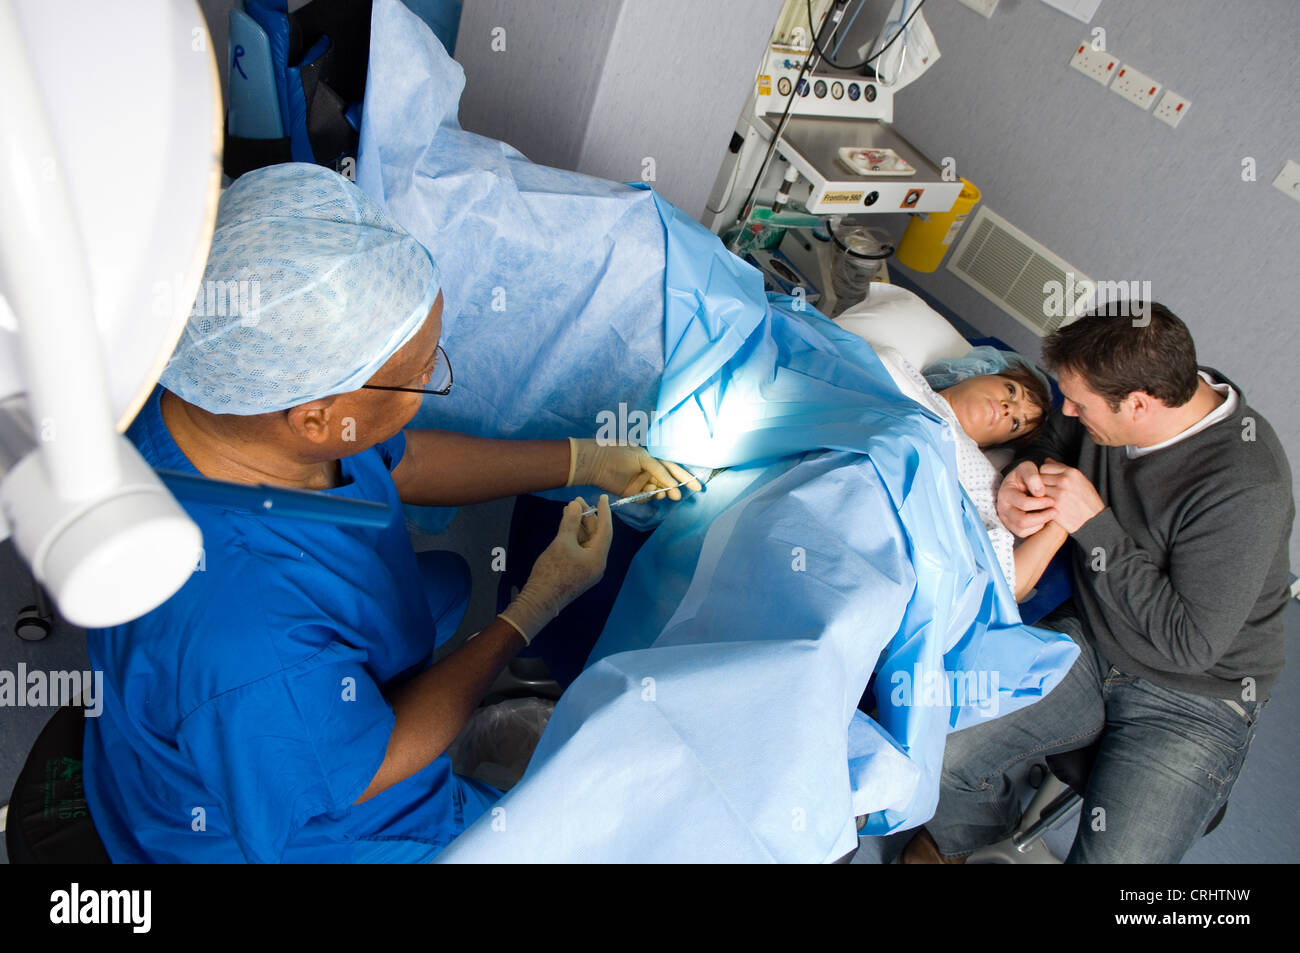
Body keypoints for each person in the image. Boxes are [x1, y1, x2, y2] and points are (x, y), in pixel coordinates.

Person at [82, 163, 698, 863]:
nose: (435, 379)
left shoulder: (213, 391)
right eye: (420, 376)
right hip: (311, 816)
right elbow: (378, 758)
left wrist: (579, 460)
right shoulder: (249, 641)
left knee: (430, 599)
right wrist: (528, 610)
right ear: (315, 417)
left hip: (265, 705)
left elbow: (401, 462)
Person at [901, 301, 1293, 863]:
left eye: (1078, 405)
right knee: (934, 746)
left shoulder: (1246, 490)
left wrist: (1093, 523)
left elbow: (1188, 644)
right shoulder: (1116, 392)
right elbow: (1053, 441)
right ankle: (966, 837)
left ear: (1138, 405)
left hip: (1196, 694)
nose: (1064, 409)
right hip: (1092, 639)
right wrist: (1024, 475)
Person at [873, 345, 1055, 599]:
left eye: (1015, 423)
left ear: (994, 445)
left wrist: (1059, 524)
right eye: (1011, 391)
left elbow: (1000, 584)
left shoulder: (981, 474)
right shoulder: (891, 362)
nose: (1008, 408)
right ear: (976, 372)